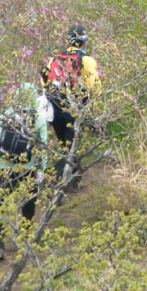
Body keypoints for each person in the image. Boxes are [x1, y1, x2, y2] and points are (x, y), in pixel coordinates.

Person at [0, 82, 49, 261]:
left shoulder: (5, 116)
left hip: (5, 168)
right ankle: (26, 241)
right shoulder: (38, 119)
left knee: (0, 205)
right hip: (28, 169)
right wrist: (41, 169)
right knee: (28, 204)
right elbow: (42, 146)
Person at [41, 24, 101, 187]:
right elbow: (94, 87)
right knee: (71, 145)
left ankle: (73, 180)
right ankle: (57, 182)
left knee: (65, 143)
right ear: (83, 42)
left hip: (53, 108)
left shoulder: (54, 59)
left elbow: (43, 80)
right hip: (72, 107)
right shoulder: (86, 60)